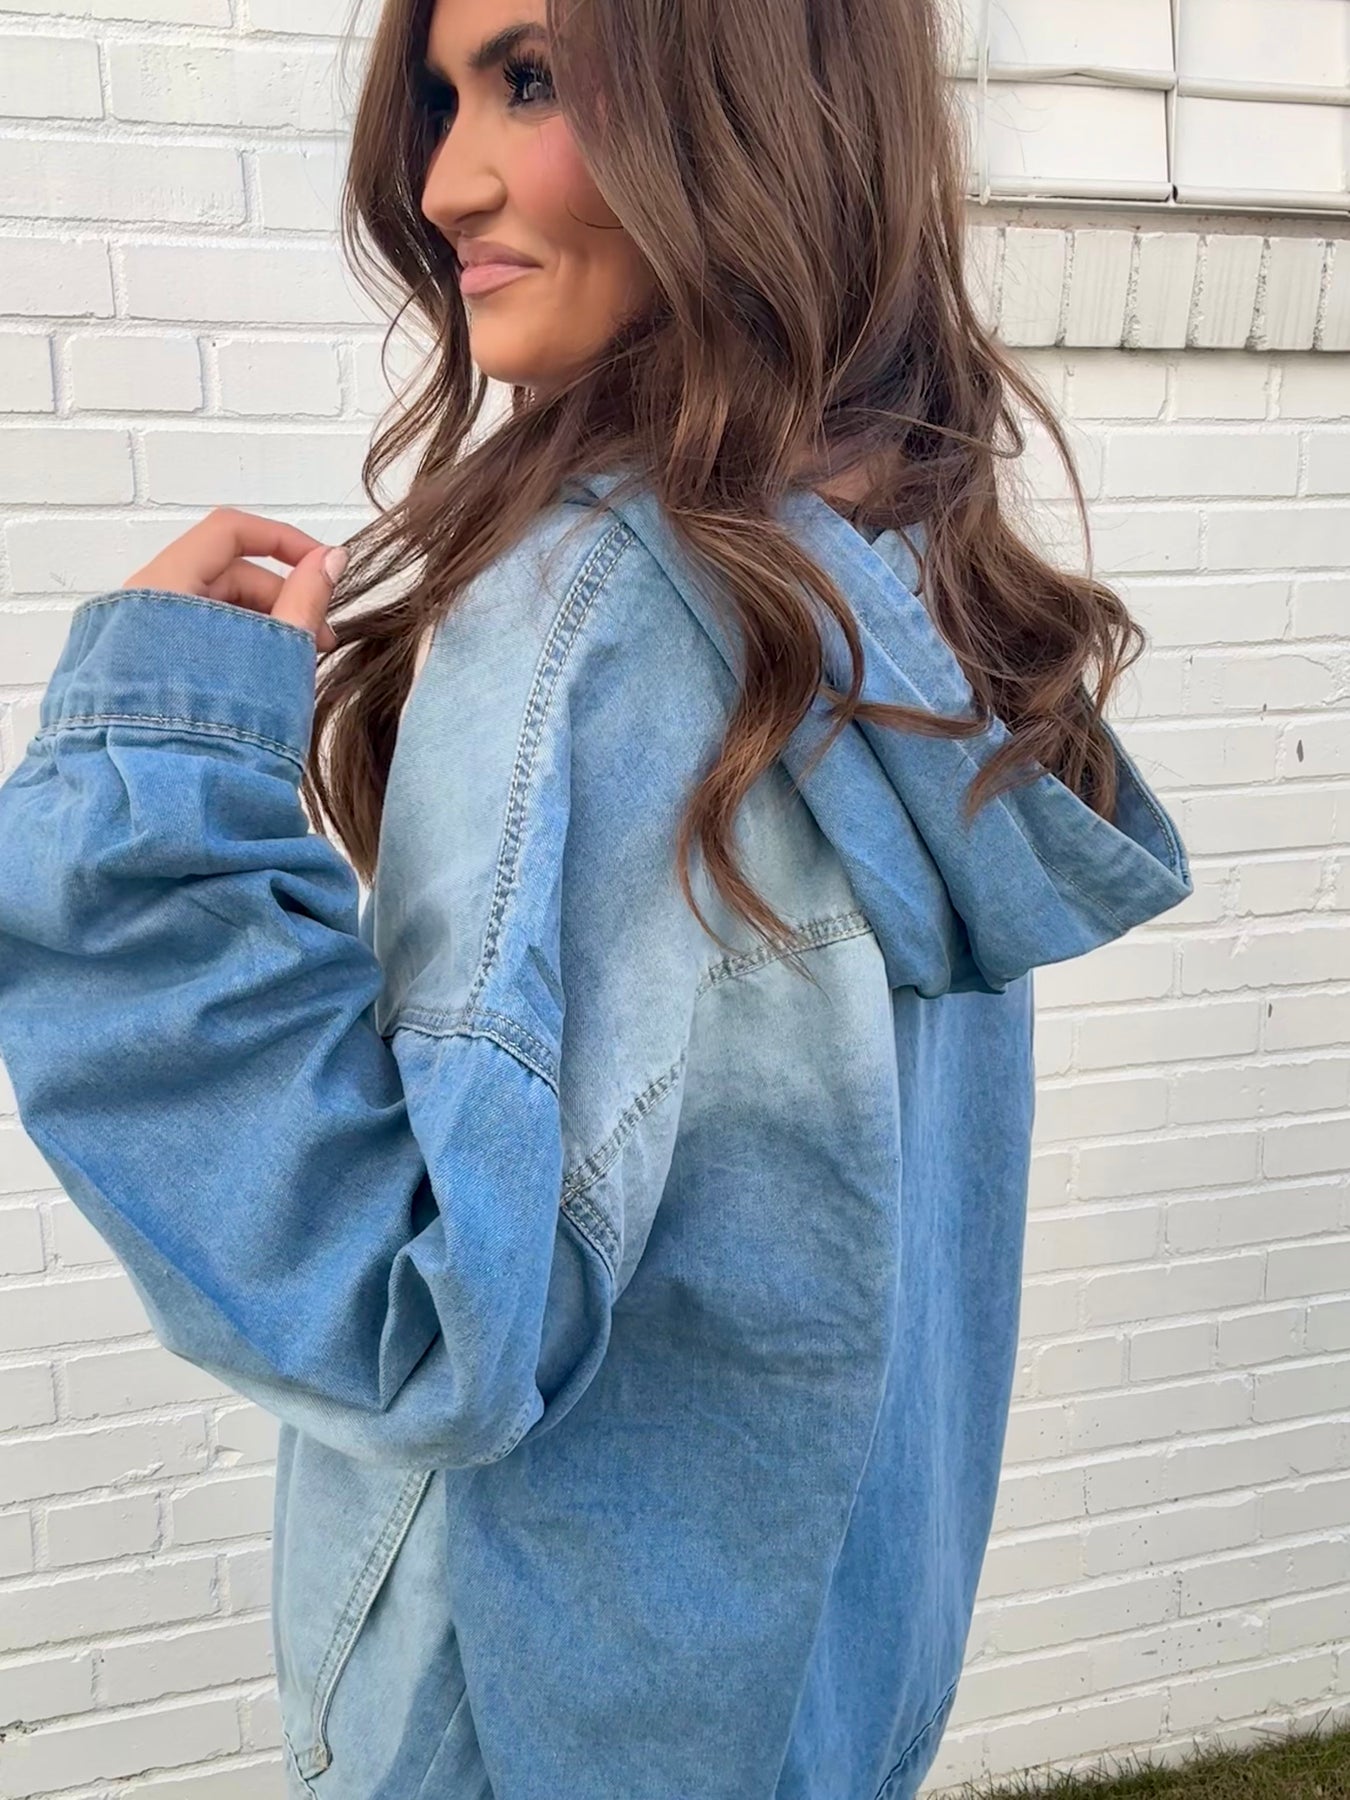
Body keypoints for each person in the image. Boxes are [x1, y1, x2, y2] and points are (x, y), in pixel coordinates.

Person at [0, 0, 1194, 1795]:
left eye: (532, 81)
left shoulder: (591, 622)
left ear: (747, 118)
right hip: (809, 1695)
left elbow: (427, 1320)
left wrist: (149, 814)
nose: (444, 184)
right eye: (443, 97)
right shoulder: (884, 602)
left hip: (524, 1721)